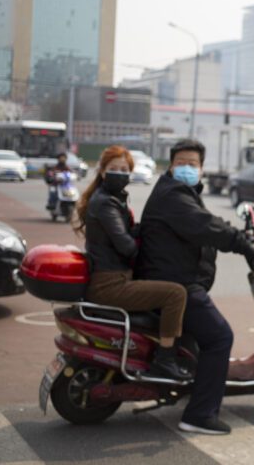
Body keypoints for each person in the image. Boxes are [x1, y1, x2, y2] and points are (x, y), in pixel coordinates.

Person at [138, 139, 254, 436]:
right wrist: (245, 245)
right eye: (181, 163)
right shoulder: (174, 194)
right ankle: (200, 414)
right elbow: (205, 225)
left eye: (192, 164)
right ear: (170, 165)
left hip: (177, 279)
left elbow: (208, 222)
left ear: (201, 168)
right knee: (220, 336)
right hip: (175, 284)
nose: (186, 168)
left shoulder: (180, 193)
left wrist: (244, 237)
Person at [76, 145, 190, 380]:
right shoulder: (106, 203)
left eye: (124, 169)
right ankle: (165, 360)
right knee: (175, 294)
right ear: (103, 171)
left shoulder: (111, 199)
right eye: (114, 168)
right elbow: (125, 245)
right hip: (110, 284)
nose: (120, 173)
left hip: (112, 277)